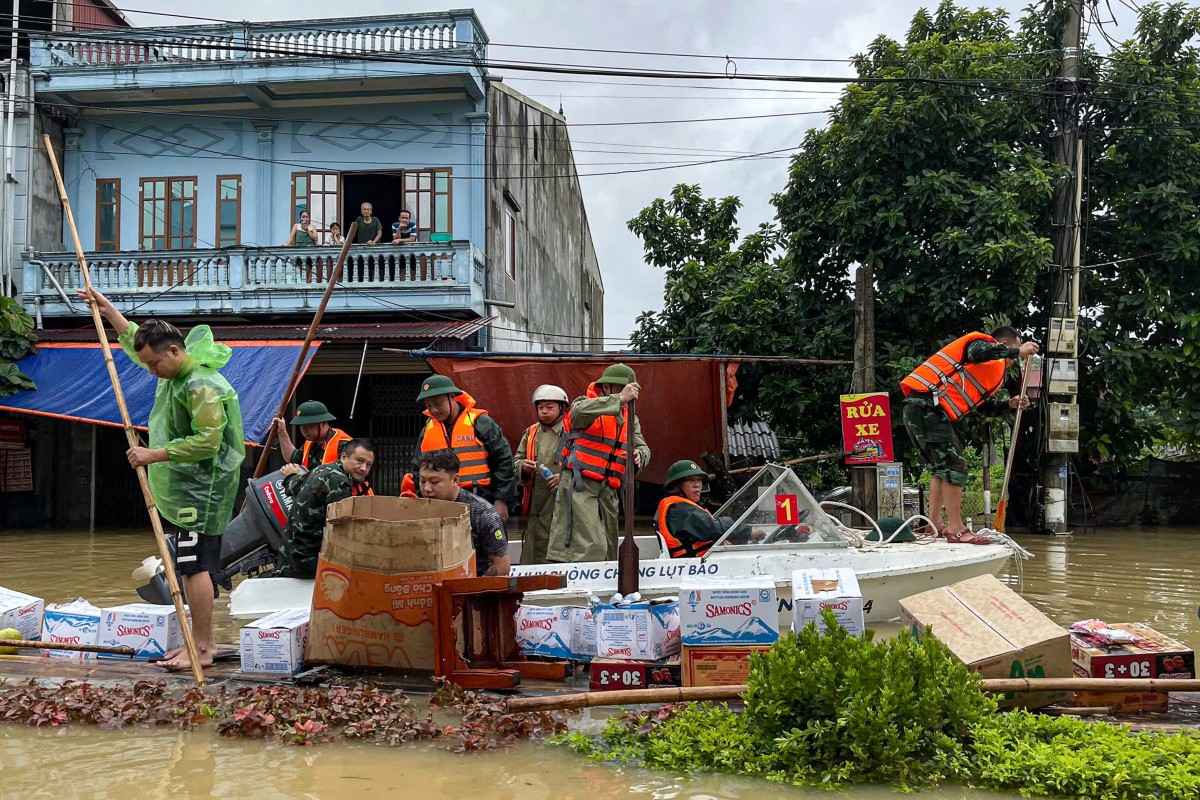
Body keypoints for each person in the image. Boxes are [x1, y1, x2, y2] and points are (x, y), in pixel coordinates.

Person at [76, 288, 245, 671]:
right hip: (189, 486)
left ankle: (202, 648)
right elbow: (137, 344)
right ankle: (203, 642)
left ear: (173, 351)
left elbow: (208, 440)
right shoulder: (175, 373)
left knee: (193, 567)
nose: (149, 370)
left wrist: (153, 453)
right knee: (190, 565)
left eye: (154, 364)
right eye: (146, 364)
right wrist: (108, 312)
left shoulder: (200, 384)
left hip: (202, 490)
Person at [900, 326, 1039, 544]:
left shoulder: (992, 373)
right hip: (927, 405)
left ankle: (933, 524)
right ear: (1004, 345)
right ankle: (956, 529)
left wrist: (1009, 404)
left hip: (926, 409)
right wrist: (1016, 351)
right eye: (1014, 350)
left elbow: (983, 407)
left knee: (942, 467)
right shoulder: (980, 346)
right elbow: (978, 351)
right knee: (955, 466)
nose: (1016, 359)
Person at [545, 363, 650, 564]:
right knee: (592, 544)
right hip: (580, 484)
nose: (626, 394)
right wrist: (618, 399)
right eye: (620, 388)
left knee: (610, 545)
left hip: (609, 489)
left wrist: (639, 454)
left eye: (629, 390)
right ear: (606, 388)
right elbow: (577, 412)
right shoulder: (586, 404)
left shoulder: (631, 419)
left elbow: (643, 446)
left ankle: (608, 588)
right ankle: (585, 587)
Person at [402, 375, 516, 523]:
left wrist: (502, 500)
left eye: (438, 403)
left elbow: (504, 460)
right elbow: (418, 468)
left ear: (452, 396)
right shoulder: (427, 430)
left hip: (481, 499)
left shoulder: (481, 423)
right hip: (441, 505)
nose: (434, 410)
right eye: (428, 405)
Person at [277, 438, 375, 578]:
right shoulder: (339, 482)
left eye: (368, 465)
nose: (363, 468)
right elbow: (343, 532)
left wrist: (291, 474)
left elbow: (293, 486)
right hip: (307, 562)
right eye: (359, 461)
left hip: (287, 553)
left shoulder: (322, 469)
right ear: (343, 457)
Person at [418, 448, 511, 577]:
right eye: (422, 481)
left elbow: (502, 567)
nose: (426, 489)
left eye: (435, 482)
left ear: (455, 480)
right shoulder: (418, 509)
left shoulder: (482, 514)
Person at [513, 384, 567, 565]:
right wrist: (523, 466)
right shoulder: (531, 433)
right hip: (537, 502)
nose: (544, 412)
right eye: (540, 407)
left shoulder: (573, 431)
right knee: (535, 551)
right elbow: (517, 459)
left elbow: (585, 463)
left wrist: (565, 478)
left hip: (566, 502)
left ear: (562, 408)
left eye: (550, 407)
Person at [655, 460, 736, 559]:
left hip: (702, 563)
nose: (697, 484)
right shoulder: (679, 509)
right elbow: (711, 528)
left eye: (699, 480)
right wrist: (749, 532)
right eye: (691, 480)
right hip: (693, 568)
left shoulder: (681, 506)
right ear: (676, 486)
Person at [271, 400, 351, 471]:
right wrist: (282, 431)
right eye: (302, 426)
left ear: (324, 423)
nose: (305, 430)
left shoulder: (345, 445)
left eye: (310, 425)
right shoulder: (310, 442)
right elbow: (292, 458)